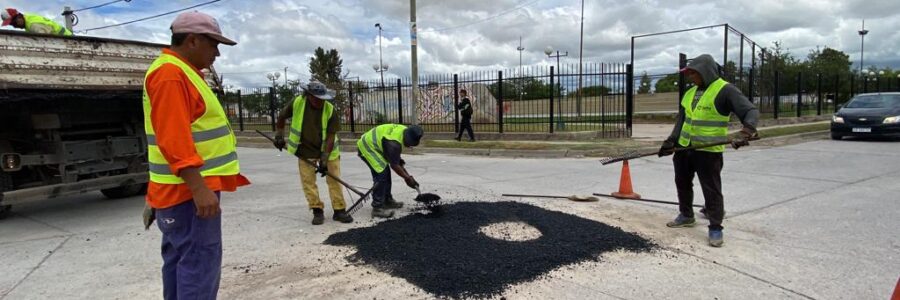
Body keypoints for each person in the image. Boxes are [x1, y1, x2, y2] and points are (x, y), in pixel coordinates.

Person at [142, 11, 248, 299]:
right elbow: (173, 138)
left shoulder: (181, 72)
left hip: (178, 192)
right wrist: (199, 188)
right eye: (213, 45)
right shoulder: (171, 75)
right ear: (192, 41)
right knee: (199, 264)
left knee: (181, 261)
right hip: (188, 194)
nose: (217, 54)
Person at [658, 54, 758, 248]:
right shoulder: (690, 93)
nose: (690, 77)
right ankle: (686, 215)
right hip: (684, 147)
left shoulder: (725, 90)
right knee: (682, 182)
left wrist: (746, 131)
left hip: (708, 150)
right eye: (689, 74)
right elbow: (682, 120)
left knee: (711, 188)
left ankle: (715, 227)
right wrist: (671, 141)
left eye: (693, 73)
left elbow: (750, 111)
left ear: (705, 71)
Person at [273, 81, 353, 225]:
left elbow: (330, 137)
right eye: (316, 98)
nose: (319, 101)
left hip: (328, 150)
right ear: (308, 95)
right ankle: (317, 210)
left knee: (334, 179)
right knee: (308, 181)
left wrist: (324, 159)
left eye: (322, 99)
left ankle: (339, 210)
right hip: (305, 149)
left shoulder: (330, 110)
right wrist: (279, 135)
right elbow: (281, 116)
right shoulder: (298, 103)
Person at [357, 124, 424, 218]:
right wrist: (407, 178)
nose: (409, 146)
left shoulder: (404, 131)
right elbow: (394, 165)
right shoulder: (393, 143)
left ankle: (387, 200)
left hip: (378, 144)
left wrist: (400, 163)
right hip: (368, 146)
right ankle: (377, 208)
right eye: (409, 143)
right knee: (381, 175)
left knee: (385, 173)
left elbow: (395, 159)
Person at [1, 8, 73, 36]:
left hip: (68, 40)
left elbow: (44, 41)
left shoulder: (33, 25)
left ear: (19, 17)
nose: (14, 26)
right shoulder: (28, 18)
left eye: (14, 23)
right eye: (11, 24)